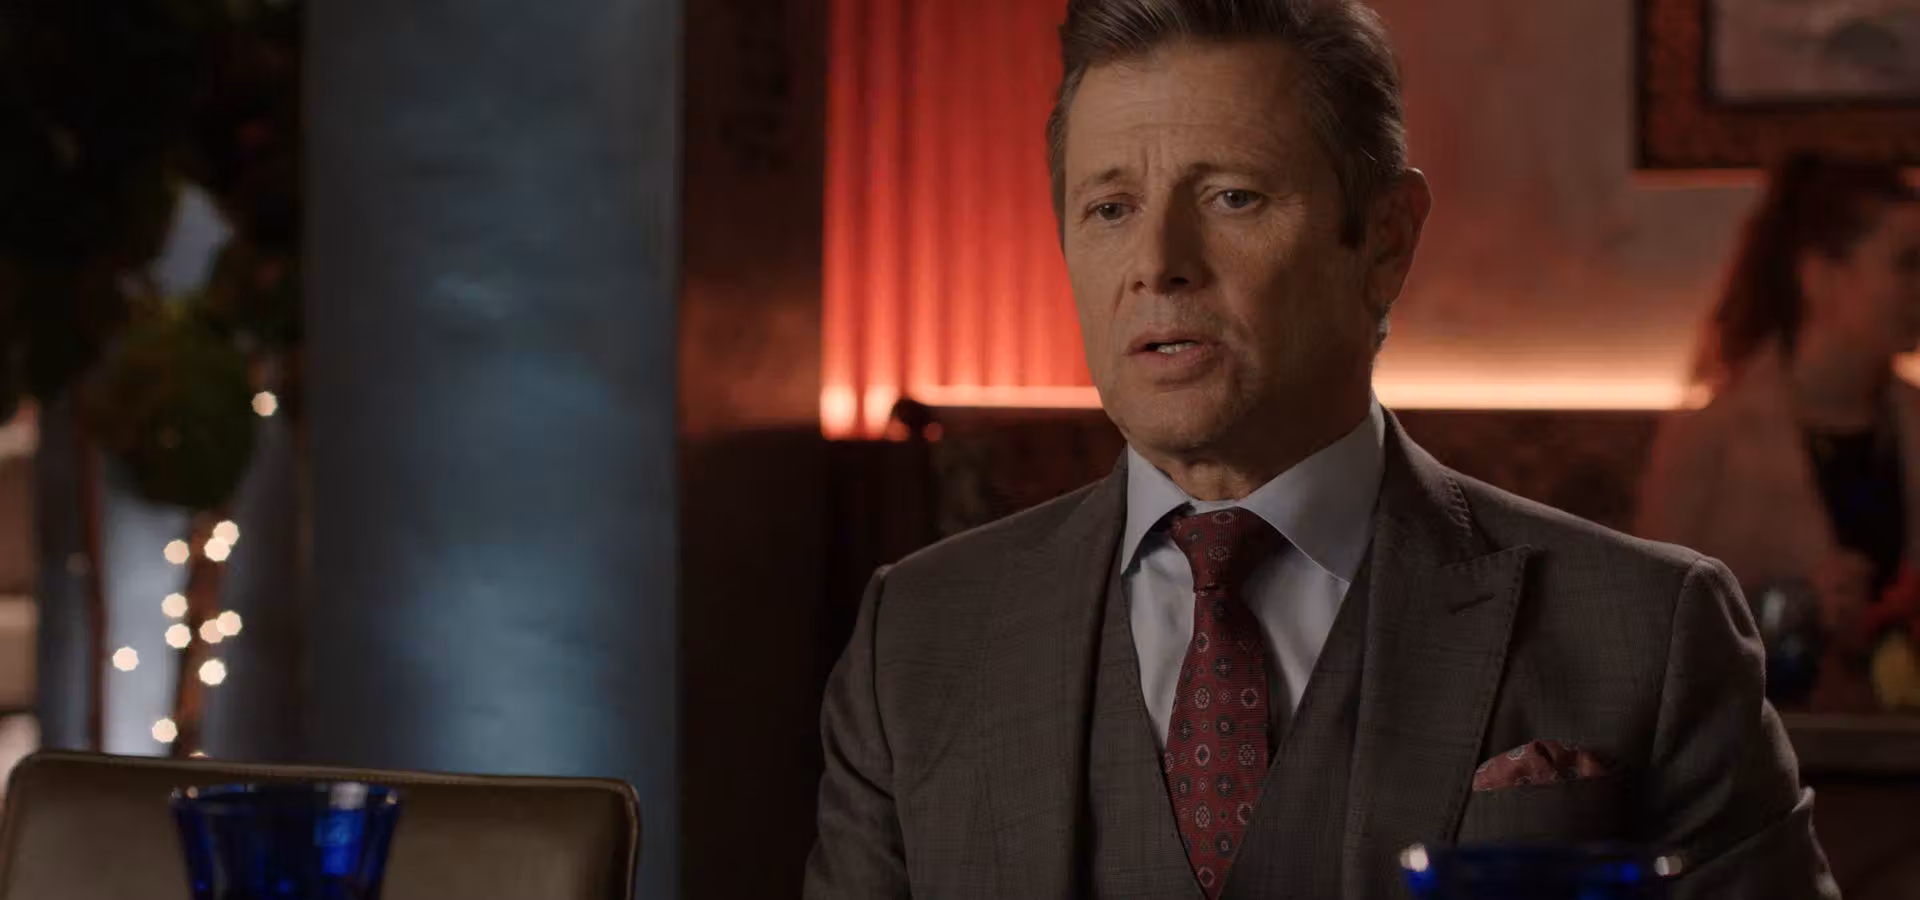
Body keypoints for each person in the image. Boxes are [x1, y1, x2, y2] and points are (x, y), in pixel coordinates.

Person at [807, 1, 1835, 897]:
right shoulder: (918, 641)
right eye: (1111, 208)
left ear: (1385, 239)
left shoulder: (1649, 633)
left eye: (1232, 197)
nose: (1158, 264)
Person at [1637, 155, 1920, 708]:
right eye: (1908, 264)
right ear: (1821, 277)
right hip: (1763, 745)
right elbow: (1650, 624)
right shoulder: (1713, 436)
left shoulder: (1910, 424)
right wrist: (1789, 608)